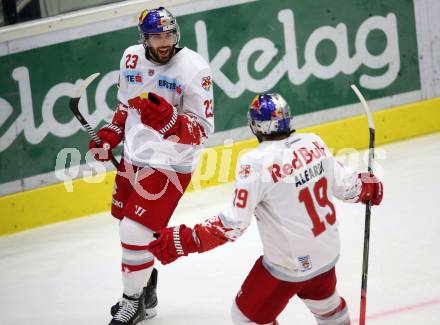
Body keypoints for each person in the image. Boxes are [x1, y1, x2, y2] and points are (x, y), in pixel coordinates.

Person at [146, 93, 383, 325]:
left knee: (245, 317)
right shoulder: (314, 142)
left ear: (255, 126)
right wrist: (367, 185)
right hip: (327, 253)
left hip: (290, 264)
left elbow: (233, 224)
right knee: (327, 308)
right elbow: (348, 188)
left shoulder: (255, 162)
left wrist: (184, 240)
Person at [88, 6, 214, 325]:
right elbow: (124, 106)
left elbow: (203, 130)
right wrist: (110, 134)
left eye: (169, 34)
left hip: (171, 165)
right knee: (127, 226)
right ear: (144, 38)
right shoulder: (131, 57)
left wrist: (172, 122)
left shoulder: (194, 68)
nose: (164, 41)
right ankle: (146, 291)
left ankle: (132, 303)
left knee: (133, 230)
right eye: (157, 36)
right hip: (133, 157)